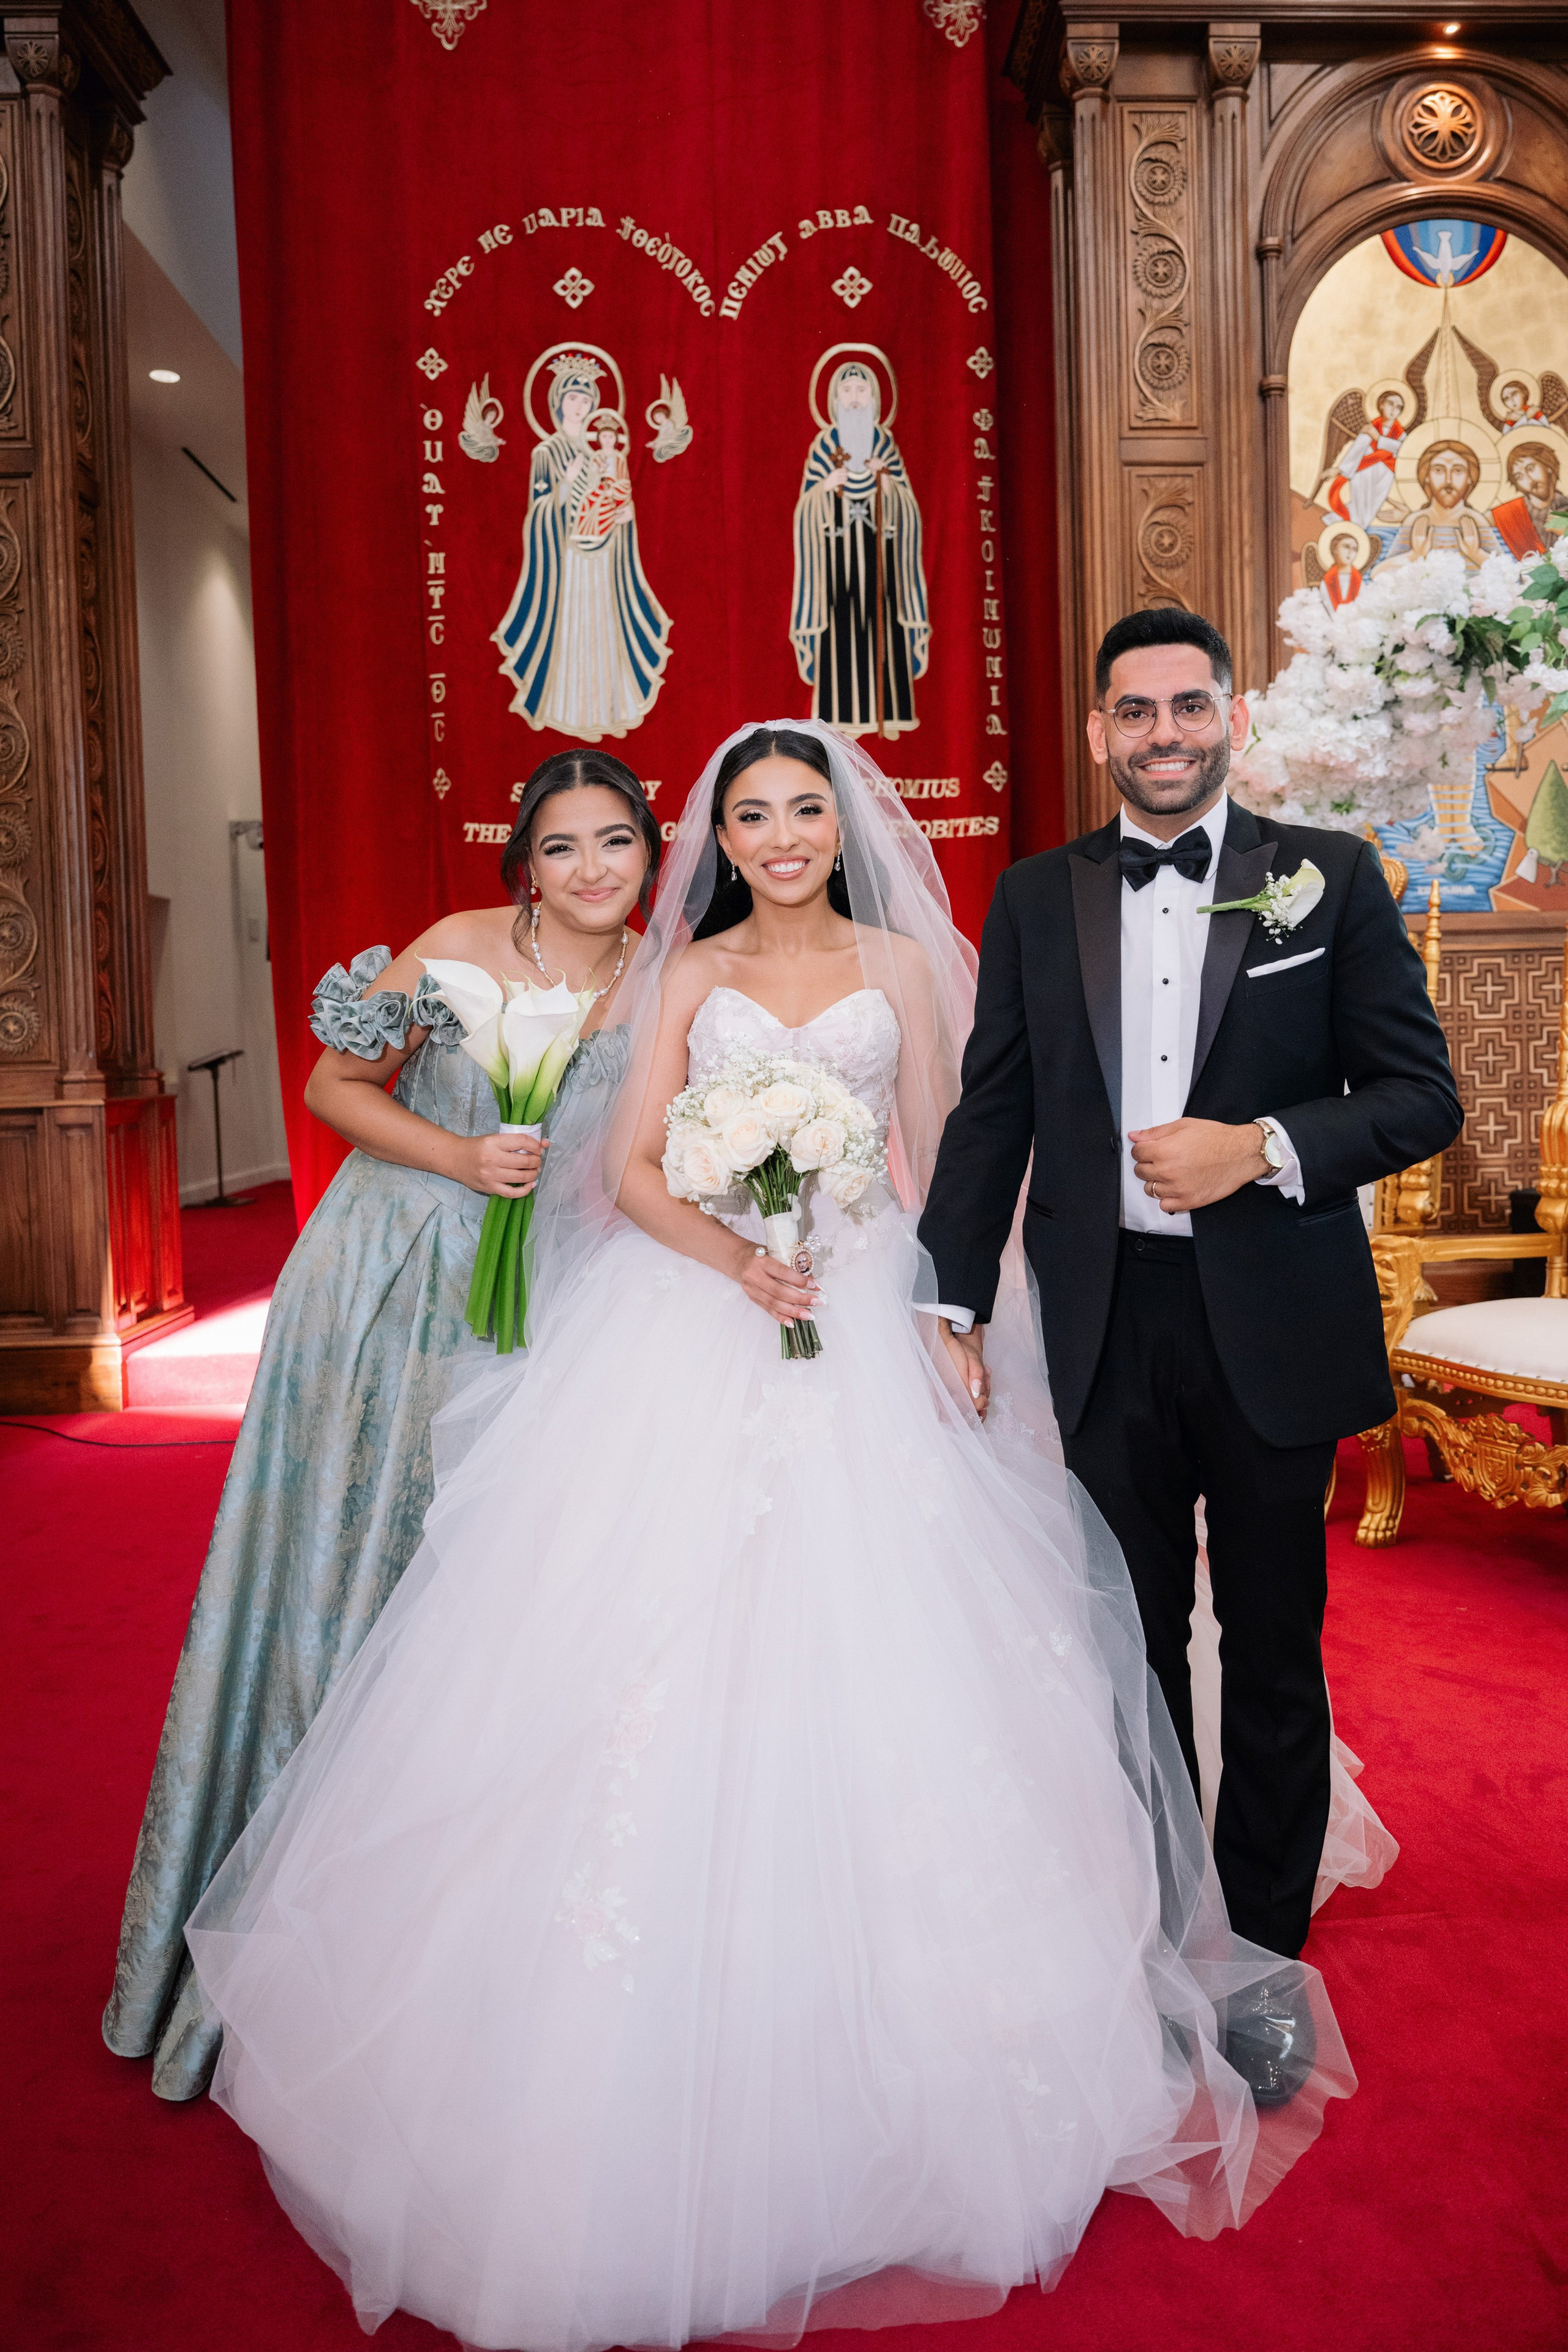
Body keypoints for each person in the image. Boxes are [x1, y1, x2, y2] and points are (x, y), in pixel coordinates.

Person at [187, 720, 1355, 2352]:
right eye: (753, 814)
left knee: (910, 1650)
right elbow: (628, 1168)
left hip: (866, 1306)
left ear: (839, 825)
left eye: (807, 808)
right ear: (720, 839)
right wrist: (736, 1256)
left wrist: (954, 1319)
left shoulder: (902, 964)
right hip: (703, 1313)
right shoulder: (689, 971)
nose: (784, 833)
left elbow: (950, 1158)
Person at [103, 748, 658, 2101]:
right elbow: (332, 1090)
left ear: (652, 852)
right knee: (359, 1564)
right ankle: (281, 1911)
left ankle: (453, 1934)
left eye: (616, 842)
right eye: (562, 846)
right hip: (393, 1276)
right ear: (524, 863)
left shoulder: (665, 977)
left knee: (484, 1595)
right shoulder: (455, 947)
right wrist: (462, 1154)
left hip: (546, 1302)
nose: (591, 869)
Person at [919, 609, 1461, 1977]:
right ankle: (1163, 1942)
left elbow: (1420, 1097)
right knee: (1129, 1647)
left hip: (1272, 1313)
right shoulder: (1035, 896)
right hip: (1103, 1320)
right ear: (1098, 730)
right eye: (1135, 710)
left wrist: (1259, 1148)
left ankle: (1262, 1956)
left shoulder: (1327, 879)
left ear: (1232, 718)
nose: (1163, 733)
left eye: (1188, 706)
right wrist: (950, 1299)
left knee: (1272, 1648)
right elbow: (992, 1111)